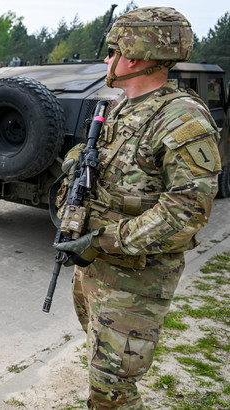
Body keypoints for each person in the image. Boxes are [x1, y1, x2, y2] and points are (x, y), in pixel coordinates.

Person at [53, 7, 221, 409]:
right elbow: (106, 159)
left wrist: (106, 239)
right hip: (97, 269)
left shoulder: (180, 117)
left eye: (113, 51)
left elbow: (186, 211)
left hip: (135, 280)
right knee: (99, 364)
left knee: (113, 389)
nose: (108, 61)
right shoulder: (121, 106)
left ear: (137, 54)